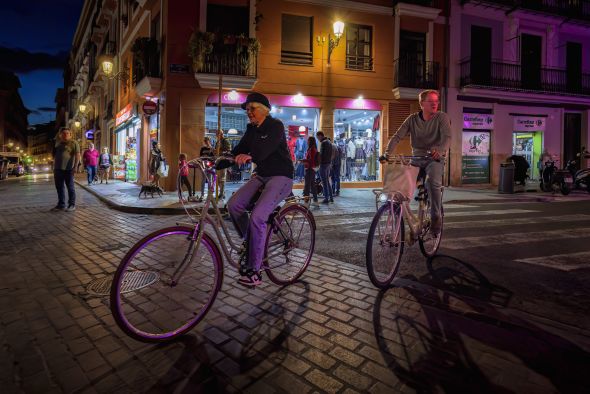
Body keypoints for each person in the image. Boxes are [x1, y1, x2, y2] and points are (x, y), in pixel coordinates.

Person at [227, 92, 294, 287]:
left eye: (251, 108)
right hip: (262, 175)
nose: (249, 112)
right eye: (247, 110)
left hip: (281, 176)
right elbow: (237, 150)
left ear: (263, 109)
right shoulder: (252, 129)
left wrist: (249, 156)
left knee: (257, 217)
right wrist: (212, 162)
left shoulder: (275, 126)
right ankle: (252, 243)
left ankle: (255, 272)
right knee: (234, 205)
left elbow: (263, 151)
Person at [384, 89, 451, 236]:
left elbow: (447, 138)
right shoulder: (412, 119)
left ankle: (435, 219)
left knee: (432, 182)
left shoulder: (442, 117)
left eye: (436, 101)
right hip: (416, 158)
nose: (435, 104)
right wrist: (386, 153)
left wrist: (439, 150)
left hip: (435, 159)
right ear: (421, 104)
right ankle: (398, 211)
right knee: (400, 182)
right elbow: (397, 136)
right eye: (431, 101)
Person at [51, 128, 80, 212]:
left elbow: (78, 155)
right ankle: (61, 204)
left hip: (69, 169)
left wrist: (75, 166)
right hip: (57, 169)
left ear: (70, 134)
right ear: (60, 135)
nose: (65, 135)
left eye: (67, 133)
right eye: (63, 133)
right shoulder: (58, 144)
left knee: (70, 187)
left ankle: (71, 204)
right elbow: (54, 155)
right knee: (59, 187)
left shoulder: (74, 143)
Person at [300, 136, 319, 206]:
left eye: (308, 140)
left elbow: (311, 160)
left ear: (310, 141)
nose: (307, 142)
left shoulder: (312, 149)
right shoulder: (313, 149)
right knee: (312, 185)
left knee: (307, 186)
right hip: (311, 169)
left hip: (310, 169)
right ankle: (315, 201)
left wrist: (303, 160)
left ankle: (306, 202)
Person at [316, 131, 334, 203]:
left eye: (317, 137)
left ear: (320, 136)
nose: (318, 139)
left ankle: (326, 198)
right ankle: (331, 197)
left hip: (323, 164)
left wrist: (318, 164)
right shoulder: (329, 142)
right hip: (328, 164)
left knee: (324, 182)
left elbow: (321, 155)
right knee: (327, 181)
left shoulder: (324, 143)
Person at [215, 129, 232, 199]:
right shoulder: (218, 142)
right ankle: (222, 192)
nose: (217, 135)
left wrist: (220, 151)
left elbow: (228, 151)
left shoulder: (225, 141)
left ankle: (221, 193)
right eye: (216, 134)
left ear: (222, 134)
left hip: (223, 161)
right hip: (218, 161)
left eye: (218, 134)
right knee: (217, 179)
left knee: (222, 178)